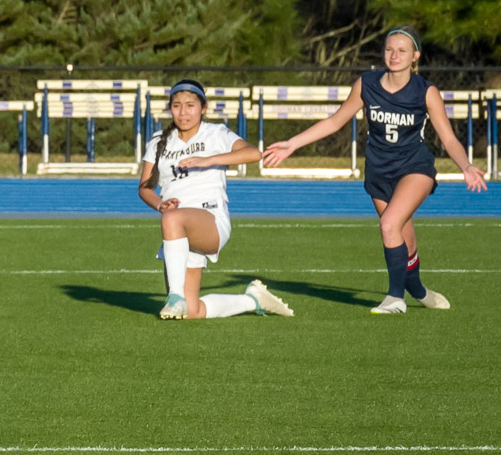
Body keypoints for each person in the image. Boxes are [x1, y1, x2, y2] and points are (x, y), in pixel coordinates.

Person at [264, 26, 487, 312]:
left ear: (415, 55)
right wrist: (292, 144)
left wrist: (466, 165)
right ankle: (418, 290)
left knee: (388, 225)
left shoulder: (426, 91)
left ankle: (395, 298)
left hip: (414, 168)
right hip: (379, 171)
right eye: (389, 49)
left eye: (402, 50)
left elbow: (448, 137)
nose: (394, 55)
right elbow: (335, 122)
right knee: (402, 235)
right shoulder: (366, 83)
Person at [139, 80, 294, 320]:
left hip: (210, 221)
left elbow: (254, 153)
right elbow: (145, 188)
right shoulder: (159, 139)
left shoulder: (216, 133)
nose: (184, 112)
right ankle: (252, 299)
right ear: (170, 108)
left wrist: (207, 160)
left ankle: (175, 296)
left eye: (190, 105)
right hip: (177, 230)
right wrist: (159, 204)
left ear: (203, 107)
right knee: (192, 312)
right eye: (177, 105)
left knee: (172, 219)